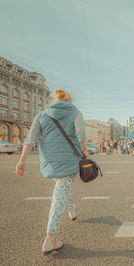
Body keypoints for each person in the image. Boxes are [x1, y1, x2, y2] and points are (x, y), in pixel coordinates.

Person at [16, 89, 88, 255]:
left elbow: (31, 138)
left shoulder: (42, 115)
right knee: (60, 193)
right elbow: (81, 133)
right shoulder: (75, 113)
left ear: (54, 100)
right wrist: (85, 150)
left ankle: (71, 208)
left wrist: (21, 161)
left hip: (49, 162)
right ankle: (51, 237)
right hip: (70, 160)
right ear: (68, 100)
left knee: (62, 187)